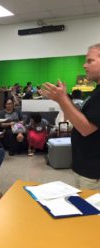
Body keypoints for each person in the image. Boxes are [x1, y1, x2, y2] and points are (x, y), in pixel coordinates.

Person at [42, 43, 100, 190]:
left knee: (91, 212)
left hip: (94, 170)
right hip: (86, 165)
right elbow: (79, 119)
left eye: (90, 61)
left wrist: (62, 99)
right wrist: (62, 100)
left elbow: (86, 128)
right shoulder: (96, 91)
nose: (84, 65)